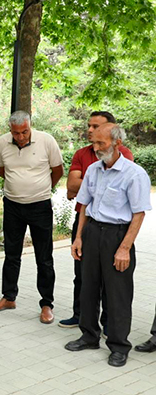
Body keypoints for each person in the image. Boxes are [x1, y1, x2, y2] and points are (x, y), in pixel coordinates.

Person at [65, 123, 151, 367]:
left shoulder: (134, 174)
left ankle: (119, 345)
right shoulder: (93, 170)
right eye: (94, 143)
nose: (96, 148)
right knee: (88, 287)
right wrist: (78, 238)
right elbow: (84, 205)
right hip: (92, 232)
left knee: (117, 294)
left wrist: (124, 248)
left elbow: (138, 214)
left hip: (117, 236)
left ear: (117, 143)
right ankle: (89, 336)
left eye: (101, 143)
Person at [59, 111, 134, 331]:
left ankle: (109, 325)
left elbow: (118, 185)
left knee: (112, 279)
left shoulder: (125, 157)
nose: (91, 131)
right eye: (90, 126)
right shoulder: (84, 155)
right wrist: (87, 186)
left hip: (114, 229)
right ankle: (82, 318)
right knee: (83, 274)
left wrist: (87, 186)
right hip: (87, 223)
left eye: (97, 128)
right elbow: (72, 186)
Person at [0, 110, 63, 324]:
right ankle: (9, 297)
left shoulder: (46, 141)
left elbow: (57, 170)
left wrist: (42, 188)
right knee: (11, 254)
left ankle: (46, 304)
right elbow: (2, 170)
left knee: (44, 257)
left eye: (24, 132)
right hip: (12, 206)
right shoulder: (2, 143)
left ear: (30, 126)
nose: (20, 137)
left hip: (40, 206)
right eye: (16, 133)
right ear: (10, 130)